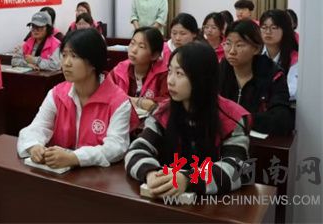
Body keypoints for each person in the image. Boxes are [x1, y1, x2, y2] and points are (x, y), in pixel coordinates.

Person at [125, 42, 251, 196]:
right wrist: (150, 173)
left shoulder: (231, 117)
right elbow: (136, 150)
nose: (170, 81)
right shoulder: (163, 112)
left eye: (179, 74)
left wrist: (188, 179)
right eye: (170, 71)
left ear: (202, 78)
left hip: (215, 203)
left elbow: (237, 168)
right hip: (169, 199)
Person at [18, 29, 137, 168]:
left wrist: (75, 158)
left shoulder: (118, 101)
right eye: (64, 55)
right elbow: (37, 127)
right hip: (58, 174)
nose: (66, 63)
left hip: (97, 176)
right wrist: (34, 146)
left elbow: (116, 147)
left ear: (93, 62)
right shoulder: (57, 94)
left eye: (74, 56)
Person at [219, 20, 293, 135]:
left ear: (256, 49)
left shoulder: (272, 74)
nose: (232, 51)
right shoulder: (220, 70)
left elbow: (282, 119)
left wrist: (244, 119)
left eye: (239, 45)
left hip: (259, 141)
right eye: (228, 44)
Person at [109, 27, 168, 113]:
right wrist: (143, 103)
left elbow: (165, 104)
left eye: (141, 46)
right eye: (132, 43)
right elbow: (107, 93)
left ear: (154, 55)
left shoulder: (163, 73)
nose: (133, 50)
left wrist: (126, 100)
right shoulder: (120, 69)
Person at [259, 9, 299, 100]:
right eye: (264, 27)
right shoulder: (255, 53)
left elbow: (293, 90)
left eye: (274, 28)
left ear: (285, 30)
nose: (268, 32)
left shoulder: (294, 59)